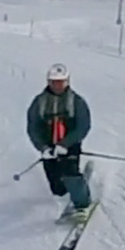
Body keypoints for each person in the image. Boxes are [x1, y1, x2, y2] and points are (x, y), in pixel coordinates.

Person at [27, 62, 94, 219]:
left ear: (67, 81)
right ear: (49, 82)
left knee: (70, 172)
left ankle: (82, 205)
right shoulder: (39, 102)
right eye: (54, 82)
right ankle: (67, 193)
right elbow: (33, 127)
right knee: (57, 188)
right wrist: (42, 147)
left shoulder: (76, 101)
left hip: (69, 144)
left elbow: (83, 125)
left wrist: (65, 144)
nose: (58, 86)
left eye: (61, 82)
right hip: (49, 147)